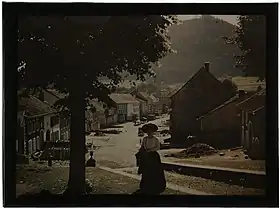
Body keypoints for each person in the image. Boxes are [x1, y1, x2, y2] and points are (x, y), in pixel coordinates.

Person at [134, 123, 166, 195]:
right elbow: (142, 146)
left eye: (150, 131)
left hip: (153, 156)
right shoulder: (145, 139)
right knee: (146, 172)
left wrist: (150, 150)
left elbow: (158, 147)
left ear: (153, 132)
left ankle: (155, 186)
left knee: (154, 171)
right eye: (148, 132)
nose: (149, 133)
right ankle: (146, 186)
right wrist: (141, 151)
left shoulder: (156, 139)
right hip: (146, 157)